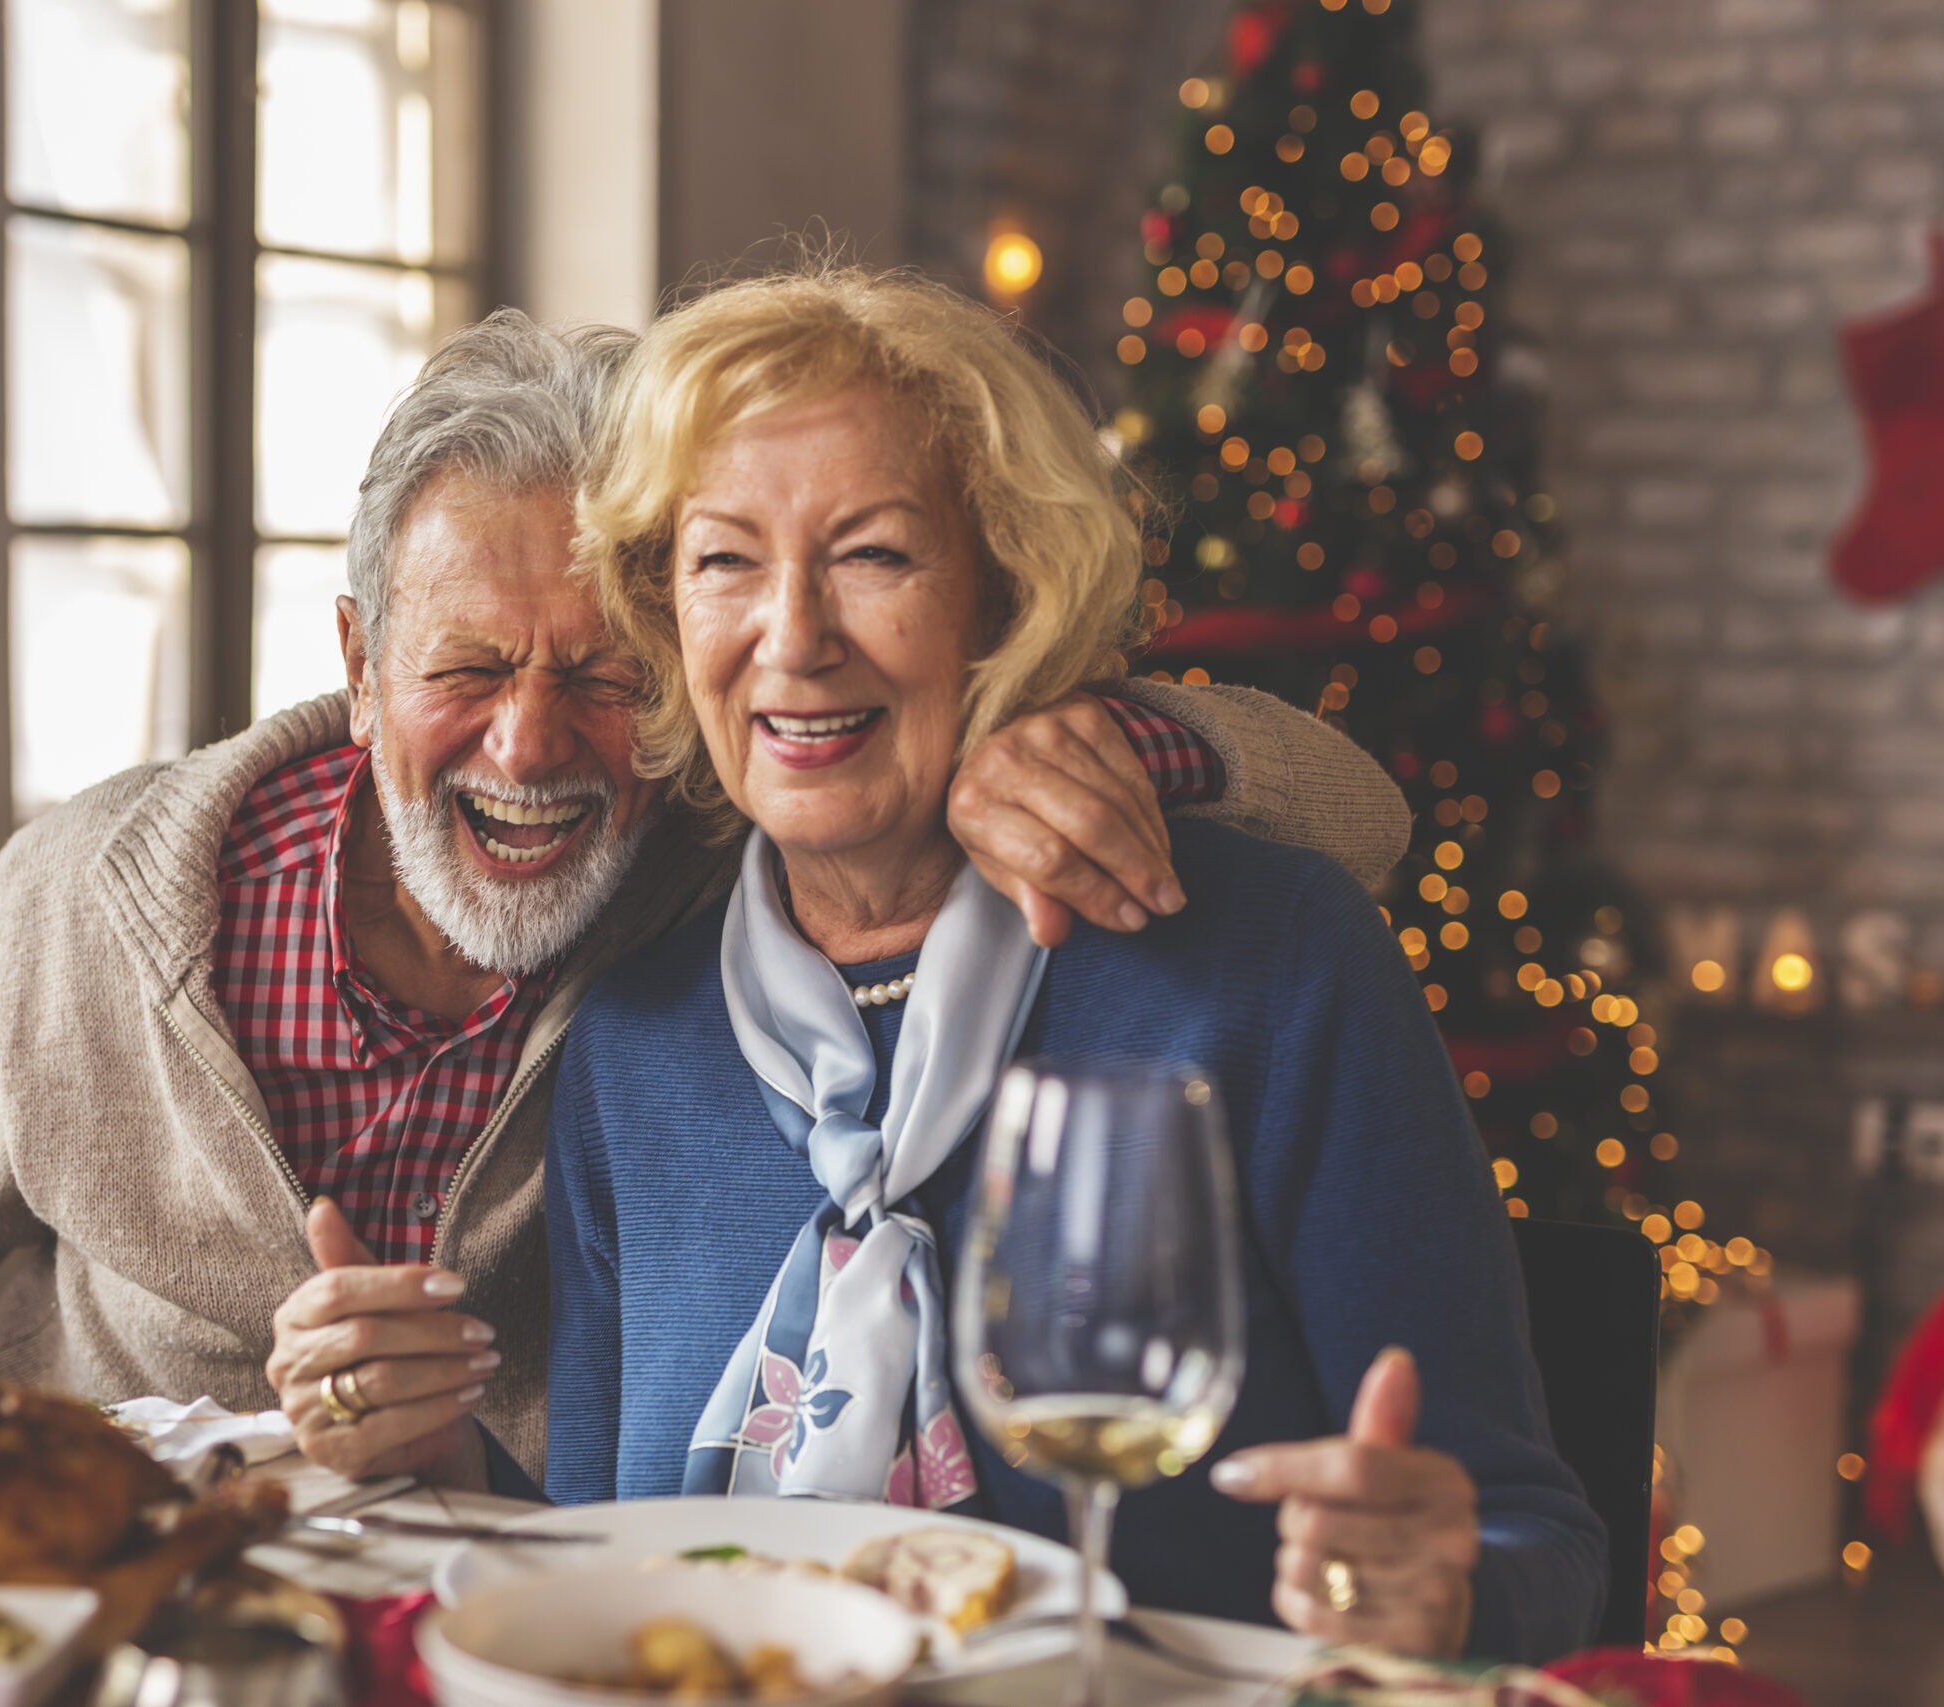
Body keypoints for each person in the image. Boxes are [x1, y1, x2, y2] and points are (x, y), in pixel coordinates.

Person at [0, 311, 1406, 1492]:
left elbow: (1353, 813)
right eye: (469, 666)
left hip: (497, 1603)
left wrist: (1075, 739)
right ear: (354, 653)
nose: (534, 743)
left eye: (602, 669)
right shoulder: (113, 900)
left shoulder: (722, 887)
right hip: (113, 1598)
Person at [543, 267, 1605, 1662]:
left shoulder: (1266, 966)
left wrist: (1441, 1587)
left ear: (1002, 597)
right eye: (724, 560)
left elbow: (1531, 1534)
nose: (792, 638)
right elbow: (583, 1573)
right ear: (666, 617)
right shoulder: (629, 1045)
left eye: (874, 555)